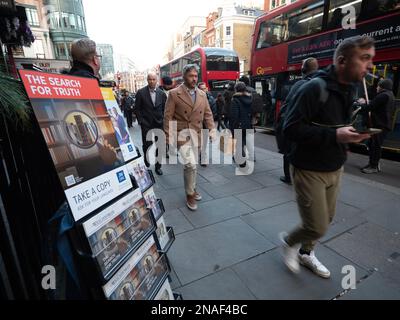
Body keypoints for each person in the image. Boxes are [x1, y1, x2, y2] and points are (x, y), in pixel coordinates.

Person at [280, 35, 374, 278]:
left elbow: (338, 124)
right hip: (309, 168)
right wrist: (335, 136)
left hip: (335, 165)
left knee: (327, 218)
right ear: (342, 61)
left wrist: (354, 133)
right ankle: (289, 242)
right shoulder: (313, 88)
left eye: (370, 59)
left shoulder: (350, 88)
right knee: (316, 224)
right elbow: (290, 129)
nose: (370, 65)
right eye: (364, 59)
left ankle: (306, 252)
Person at [164, 64, 215, 211]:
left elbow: (208, 114)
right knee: (190, 164)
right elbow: (167, 117)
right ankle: (190, 194)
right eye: (191, 76)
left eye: (195, 76)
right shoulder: (174, 94)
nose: (194, 79)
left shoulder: (202, 94)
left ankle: (192, 187)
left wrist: (211, 129)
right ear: (184, 76)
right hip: (182, 134)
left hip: (197, 134)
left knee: (193, 165)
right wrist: (168, 137)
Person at [276, 57, 319, 184]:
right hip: (314, 130)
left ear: (303, 70)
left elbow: (287, 107)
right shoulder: (322, 83)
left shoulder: (299, 85)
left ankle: (289, 177)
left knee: (289, 153)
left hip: (298, 127)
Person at [135, 72, 167, 176]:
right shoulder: (140, 92)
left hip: (159, 123)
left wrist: (163, 120)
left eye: (154, 79)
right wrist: (141, 121)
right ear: (147, 80)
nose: (152, 81)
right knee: (147, 144)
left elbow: (165, 109)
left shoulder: (161, 93)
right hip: (146, 124)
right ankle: (147, 158)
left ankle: (158, 166)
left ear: (157, 80)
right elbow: (137, 109)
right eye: (150, 79)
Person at [360, 78, 395, 174]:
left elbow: (370, 107)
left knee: (375, 145)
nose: (376, 88)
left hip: (379, 125)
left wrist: (360, 105)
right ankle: (372, 163)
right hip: (383, 125)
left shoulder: (383, 95)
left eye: (379, 86)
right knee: (373, 144)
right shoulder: (390, 95)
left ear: (382, 87)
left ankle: (374, 166)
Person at [229, 82, 253, 168]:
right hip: (247, 124)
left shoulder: (235, 99)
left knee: (239, 143)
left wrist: (232, 127)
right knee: (244, 141)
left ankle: (242, 162)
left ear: (236, 89)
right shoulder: (249, 98)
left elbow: (234, 115)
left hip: (238, 124)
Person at [198, 82, 216, 167]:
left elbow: (213, 110)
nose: (203, 90)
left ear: (206, 89)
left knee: (203, 142)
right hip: (196, 124)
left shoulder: (210, 98)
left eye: (204, 88)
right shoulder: (195, 98)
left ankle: (203, 158)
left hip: (205, 124)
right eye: (201, 89)